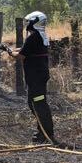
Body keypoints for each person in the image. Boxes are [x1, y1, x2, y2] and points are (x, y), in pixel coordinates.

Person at [14, 11, 56, 144]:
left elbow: (21, 55)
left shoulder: (33, 38)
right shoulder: (40, 36)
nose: (27, 24)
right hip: (39, 76)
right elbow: (26, 50)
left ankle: (46, 134)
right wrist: (14, 50)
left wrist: (11, 53)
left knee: (38, 104)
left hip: (36, 78)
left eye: (29, 22)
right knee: (36, 103)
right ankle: (42, 131)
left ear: (35, 22)